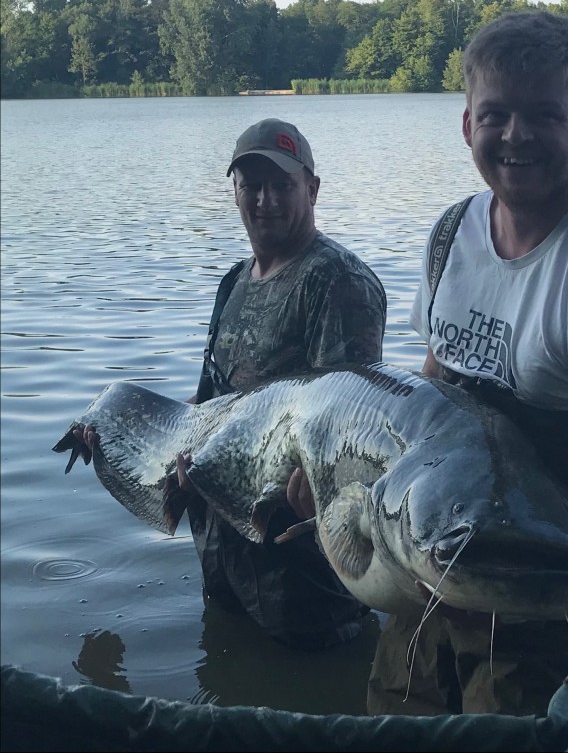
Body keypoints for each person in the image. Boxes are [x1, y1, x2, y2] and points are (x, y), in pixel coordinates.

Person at [360, 10, 568, 718]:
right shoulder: (452, 234)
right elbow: (432, 393)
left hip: (562, 603)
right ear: (467, 125)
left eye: (544, 114)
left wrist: (523, 586)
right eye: (496, 114)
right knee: (394, 727)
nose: (515, 135)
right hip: (440, 566)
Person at [78, 117, 387, 652]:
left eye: (282, 184)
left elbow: (343, 434)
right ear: (236, 192)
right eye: (252, 185)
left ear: (312, 188)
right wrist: (122, 435)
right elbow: (207, 406)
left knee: (313, 688)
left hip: (301, 570)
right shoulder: (234, 281)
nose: (266, 200)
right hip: (222, 550)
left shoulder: (337, 282)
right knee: (224, 671)